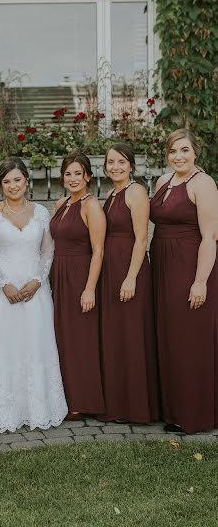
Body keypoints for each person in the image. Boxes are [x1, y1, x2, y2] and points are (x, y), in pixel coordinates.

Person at [0, 157, 67, 433]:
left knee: (35, 343)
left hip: (36, 291)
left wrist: (38, 280)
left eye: (17, 180)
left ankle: (37, 406)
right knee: (5, 346)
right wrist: (4, 284)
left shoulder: (41, 214)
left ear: (27, 181)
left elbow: (48, 250)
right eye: (7, 181)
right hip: (3, 292)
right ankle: (5, 408)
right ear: (1, 184)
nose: (13, 186)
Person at [150, 128, 218, 434]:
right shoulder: (163, 181)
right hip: (162, 265)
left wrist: (200, 281)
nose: (178, 157)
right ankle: (174, 410)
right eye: (173, 151)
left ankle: (197, 414)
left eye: (184, 151)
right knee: (169, 338)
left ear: (196, 152)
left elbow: (210, 236)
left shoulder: (203, 184)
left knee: (190, 340)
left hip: (189, 266)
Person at [99, 143, 160, 423]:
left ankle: (137, 406)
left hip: (129, 268)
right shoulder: (111, 194)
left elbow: (141, 238)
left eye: (121, 162)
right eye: (111, 162)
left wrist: (131, 278)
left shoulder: (136, 192)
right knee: (116, 336)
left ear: (131, 165)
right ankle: (119, 403)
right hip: (110, 269)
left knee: (132, 335)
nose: (115, 167)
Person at [50, 152, 106, 420]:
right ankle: (67, 396)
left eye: (78, 173)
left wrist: (89, 288)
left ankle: (84, 400)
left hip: (80, 275)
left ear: (88, 177)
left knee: (80, 338)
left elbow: (98, 250)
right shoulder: (62, 203)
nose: (72, 178)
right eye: (68, 173)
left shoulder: (91, 206)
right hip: (58, 276)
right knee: (63, 337)